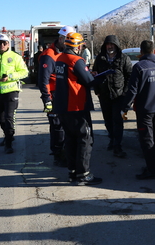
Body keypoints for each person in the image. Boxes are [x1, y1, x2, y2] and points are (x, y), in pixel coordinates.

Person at [53, 32, 103, 185]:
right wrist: (100, 77)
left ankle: (73, 172)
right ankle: (83, 174)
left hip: (62, 106)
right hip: (76, 106)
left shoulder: (60, 58)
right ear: (78, 46)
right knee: (85, 139)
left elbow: (72, 77)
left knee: (70, 139)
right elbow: (88, 81)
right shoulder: (76, 60)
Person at [121, 40, 155, 180]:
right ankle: (152, 166)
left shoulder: (140, 67)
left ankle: (152, 170)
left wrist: (124, 108)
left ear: (141, 52)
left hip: (144, 109)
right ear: (154, 51)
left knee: (146, 139)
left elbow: (132, 90)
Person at [38, 26, 74, 166]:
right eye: (67, 40)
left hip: (65, 94)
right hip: (53, 95)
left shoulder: (65, 53)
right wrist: (47, 99)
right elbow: (43, 80)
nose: (69, 43)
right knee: (57, 126)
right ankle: (58, 155)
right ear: (61, 39)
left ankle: (65, 151)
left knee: (65, 125)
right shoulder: (49, 55)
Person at [93, 35, 133, 158]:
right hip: (104, 95)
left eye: (112, 44)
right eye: (107, 45)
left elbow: (129, 76)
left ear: (116, 45)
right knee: (108, 120)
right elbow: (94, 74)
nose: (109, 47)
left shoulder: (124, 58)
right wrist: (97, 90)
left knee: (118, 120)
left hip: (119, 96)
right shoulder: (100, 58)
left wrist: (125, 92)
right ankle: (112, 138)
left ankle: (117, 145)